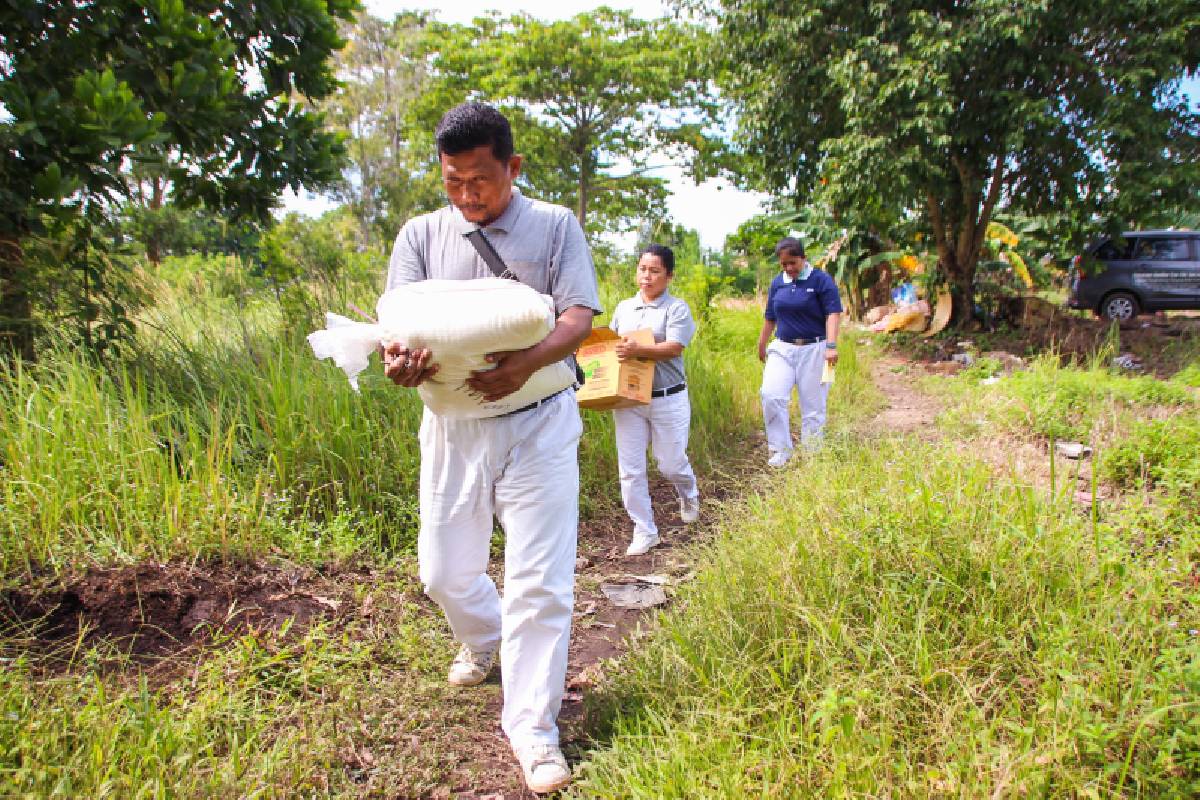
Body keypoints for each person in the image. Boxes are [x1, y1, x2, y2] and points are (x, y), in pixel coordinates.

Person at [382, 102, 600, 795]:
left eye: (480, 180)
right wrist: (396, 364)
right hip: (450, 424)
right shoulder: (419, 236)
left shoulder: (555, 225)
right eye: (453, 182)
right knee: (443, 573)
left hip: (538, 417)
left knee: (540, 580)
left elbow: (578, 316)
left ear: (513, 167)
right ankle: (484, 639)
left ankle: (534, 730)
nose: (467, 195)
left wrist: (524, 364)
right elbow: (398, 323)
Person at [608, 244, 701, 557]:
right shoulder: (624, 308)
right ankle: (644, 530)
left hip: (668, 398)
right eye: (642, 269)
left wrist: (638, 350)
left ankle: (688, 493)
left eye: (655, 271)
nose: (646, 276)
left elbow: (675, 347)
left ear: (669, 275)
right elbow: (611, 346)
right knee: (631, 469)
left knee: (670, 463)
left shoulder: (676, 309)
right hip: (630, 399)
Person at [757, 236, 842, 467]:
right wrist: (762, 344)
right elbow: (770, 316)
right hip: (783, 347)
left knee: (813, 405)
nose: (789, 268)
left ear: (803, 258)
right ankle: (780, 450)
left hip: (816, 348)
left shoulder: (821, 280)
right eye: (784, 264)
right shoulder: (778, 283)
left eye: (792, 263)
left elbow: (833, 313)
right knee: (771, 395)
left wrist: (831, 347)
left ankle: (813, 454)